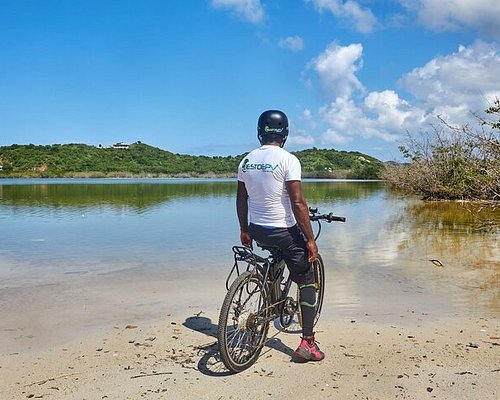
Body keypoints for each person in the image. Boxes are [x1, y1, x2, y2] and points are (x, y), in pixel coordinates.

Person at [236, 109, 324, 362]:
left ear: (259, 132)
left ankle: (271, 294)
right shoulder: (289, 159)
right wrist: (309, 240)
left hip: (257, 229)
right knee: (306, 279)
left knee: (278, 254)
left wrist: (244, 229)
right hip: (283, 231)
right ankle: (308, 343)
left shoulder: (246, 161)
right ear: (284, 134)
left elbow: (242, 200)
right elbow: (298, 203)